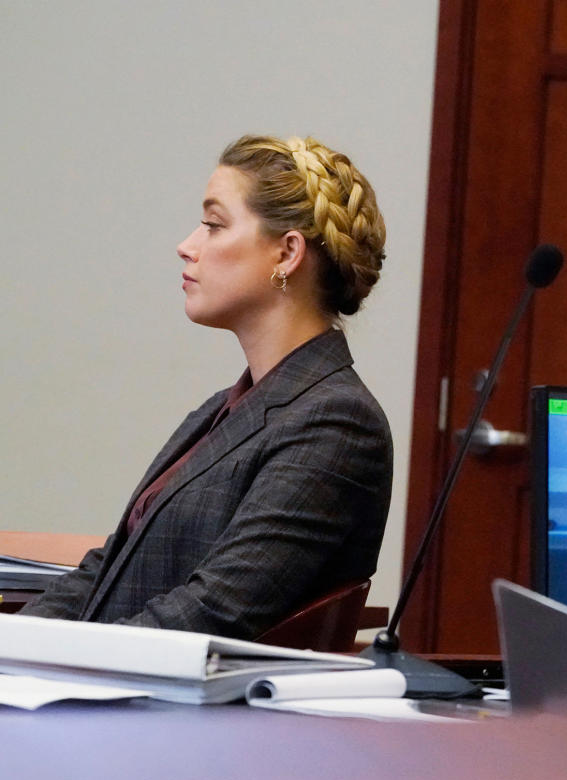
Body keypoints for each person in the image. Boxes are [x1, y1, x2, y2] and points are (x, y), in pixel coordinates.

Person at [21, 135, 394, 640]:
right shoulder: (221, 410)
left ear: (286, 254)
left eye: (214, 225)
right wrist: (18, 644)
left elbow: (215, 611)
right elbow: (107, 569)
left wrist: (63, 662)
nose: (187, 245)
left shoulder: (337, 422)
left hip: (170, 710)